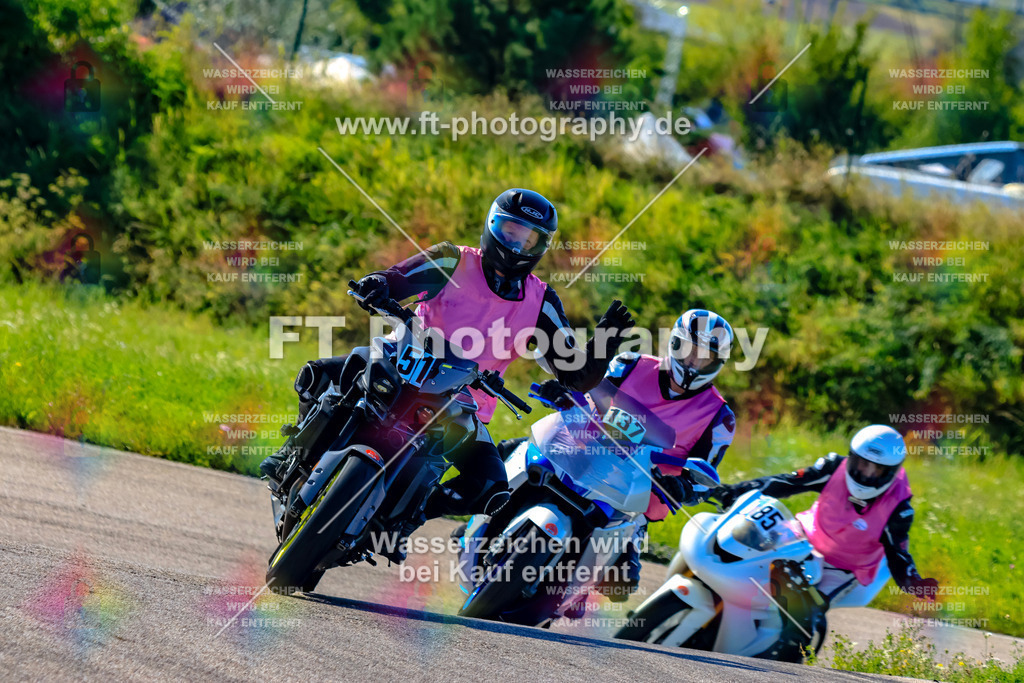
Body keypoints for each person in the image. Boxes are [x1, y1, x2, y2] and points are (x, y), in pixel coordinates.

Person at [261, 188, 635, 561]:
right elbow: (397, 279)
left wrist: (606, 340)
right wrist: (378, 285)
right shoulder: (450, 260)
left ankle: (405, 519)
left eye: (528, 238)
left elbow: (576, 374)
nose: (516, 244)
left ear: (541, 245)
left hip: (462, 402)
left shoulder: (542, 301)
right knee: (317, 375)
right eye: (509, 231)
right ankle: (290, 457)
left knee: (490, 485)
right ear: (492, 225)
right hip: (400, 360)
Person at [526, 308, 737, 600]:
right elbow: (588, 392)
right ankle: (487, 514)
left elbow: (705, 475)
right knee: (519, 457)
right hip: (581, 454)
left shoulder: (720, 417)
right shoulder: (628, 364)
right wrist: (564, 394)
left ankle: (570, 595)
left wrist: (685, 487)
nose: (693, 362)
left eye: (705, 357)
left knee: (620, 584)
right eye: (689, 350)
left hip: (633, 496)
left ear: (718, 363)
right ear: (674, 344)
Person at [712, 425, 940, 609]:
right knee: (740, 550)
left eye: (876, 470)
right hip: (801, 535)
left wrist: (916, 584)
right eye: (862, 464)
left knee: (806, 610)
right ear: (852, 457)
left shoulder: (899, 507)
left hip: (844, 566)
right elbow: (786, 482)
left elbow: (897, 554)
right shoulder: (833, 467)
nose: (867, 474)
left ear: (891, 471)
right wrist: (734, 491)